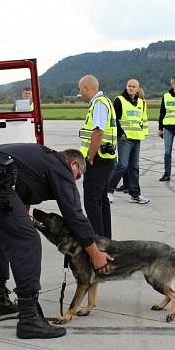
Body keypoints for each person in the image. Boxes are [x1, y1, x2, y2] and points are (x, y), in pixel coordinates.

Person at [0, 144, 113, 339]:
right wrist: (96, 254)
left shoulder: (42, 160)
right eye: (78, 175)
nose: (75, 181)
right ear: (74, 164)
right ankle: (30, 319)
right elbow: (74, 215)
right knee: (27, 241)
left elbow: (23, 188)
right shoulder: (61, 167)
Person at [77, 75, 117, 238]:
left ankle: (97, 242)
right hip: (106, 159)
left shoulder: (99, 104)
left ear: (87, 87)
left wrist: (89, 157)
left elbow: (98, 132)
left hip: (98, 159)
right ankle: (106, 240)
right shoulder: (105, 102)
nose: (80, 93)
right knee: (101, 200)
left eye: (80, 90)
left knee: (92, 201)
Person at [107, 79, 150, 204]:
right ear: (126, 87)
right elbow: (113, 119)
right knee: (122, 166)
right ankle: (108, 191)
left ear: (138, 89)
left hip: (137, 138)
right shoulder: (119, 100)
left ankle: (135, 194)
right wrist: (120, 133)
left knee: (134, 167)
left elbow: (143, 119)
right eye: (129, 86)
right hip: (125, 139)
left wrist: (144, 133)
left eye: (134, 86)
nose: (131, 88)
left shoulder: (142, 103)